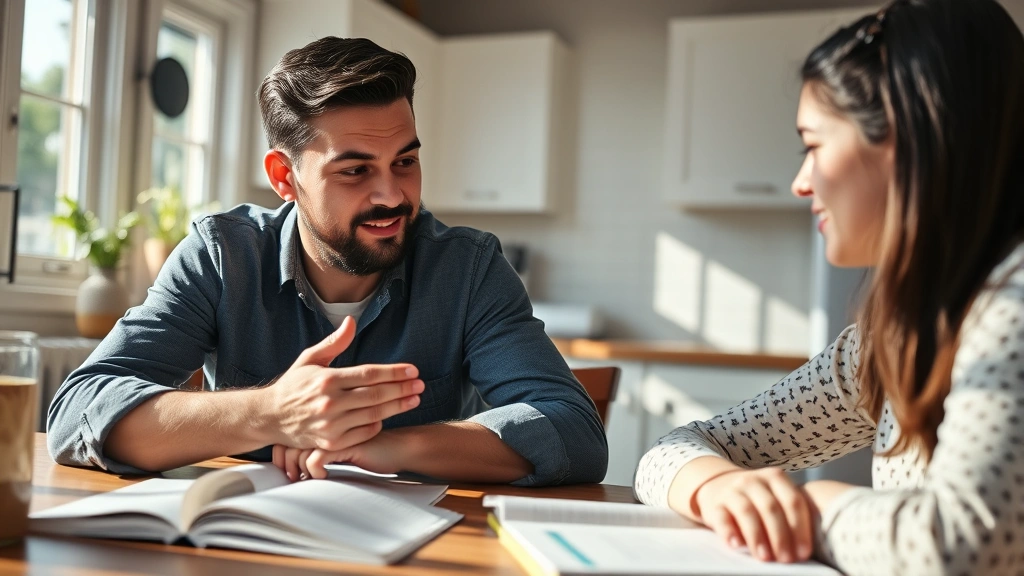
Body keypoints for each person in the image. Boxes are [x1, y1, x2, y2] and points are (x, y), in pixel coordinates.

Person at [47, 37, 607, 487]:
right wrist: (272, 412)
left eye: (405, 160)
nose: (392, 194)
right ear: (284, 177)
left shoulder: (468, 269)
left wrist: (381, 446)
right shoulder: (223, 256)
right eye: (355, 170)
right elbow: (76, 412)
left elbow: (574, 432)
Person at [633, 0, 1024, 573]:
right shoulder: (890, 340)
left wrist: (816, 504)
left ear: (908, 142)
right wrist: (716, 488)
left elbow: (963, 549)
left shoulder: (1010, 307)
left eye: (813, 146)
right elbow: (674, 448)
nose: (798, 183)